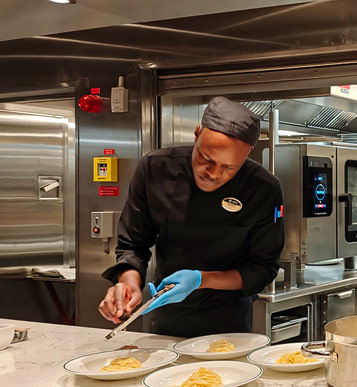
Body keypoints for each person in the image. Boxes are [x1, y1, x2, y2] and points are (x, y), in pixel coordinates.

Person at [98, 97, 285, 337]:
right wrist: (128, 283)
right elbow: (133, 244)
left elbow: (263, 268)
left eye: (229, 167)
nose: (213, 174)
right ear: (197, 134)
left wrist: (201, 279)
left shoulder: (263, 189)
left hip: (228, 321)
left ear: (247, 153)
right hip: (166, 313)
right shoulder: (155, 168)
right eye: (206, 158)